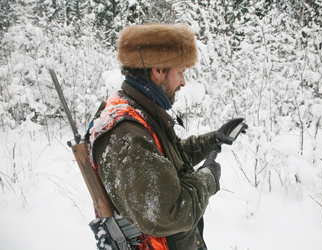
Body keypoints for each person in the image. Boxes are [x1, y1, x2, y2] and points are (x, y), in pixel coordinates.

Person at [88, 23, 247, 250]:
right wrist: (208, 178)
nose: (183, 82)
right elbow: (170, 212)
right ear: (158, 70)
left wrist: (212, 140)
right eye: (180, 72)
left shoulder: (137, 110)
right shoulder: (126, 135)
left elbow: (163, 160)